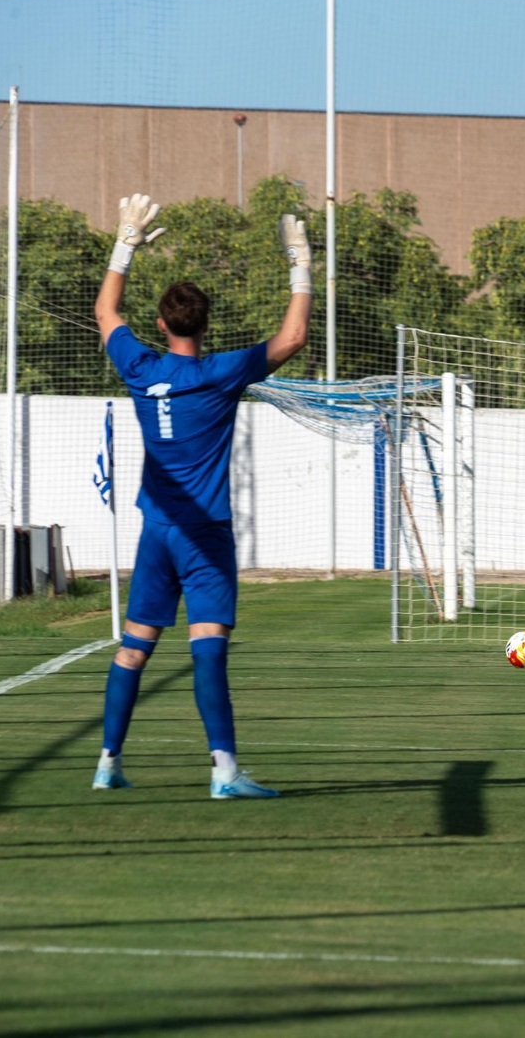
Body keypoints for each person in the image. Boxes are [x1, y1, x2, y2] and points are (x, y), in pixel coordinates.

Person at [90, 193, 312, 795]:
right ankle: (225, 773)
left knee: (134, 647)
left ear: (160, 325)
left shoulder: (139, 367)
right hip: (205, 535)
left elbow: (106, 311)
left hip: (156, 530)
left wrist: (125, 243)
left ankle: (107, 763)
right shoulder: (219, 373)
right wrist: (300, 263)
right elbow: (293, 337)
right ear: (205, 324)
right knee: (207, 648)